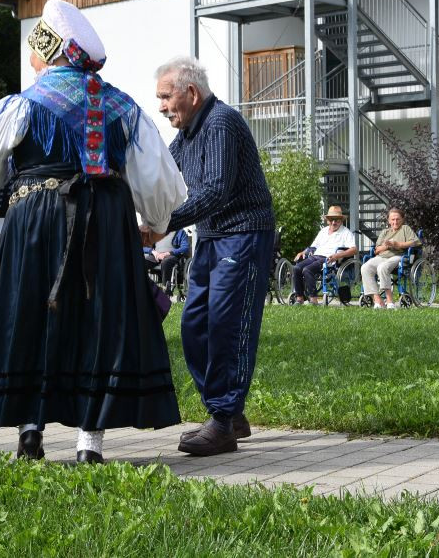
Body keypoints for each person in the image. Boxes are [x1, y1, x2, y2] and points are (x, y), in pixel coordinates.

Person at [0, 0, 188, 464]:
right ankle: (88, 443)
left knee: (28, 314)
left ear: (50, 54)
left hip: (34, 215)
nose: (31, 63)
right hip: (107, 219)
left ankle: (30, 430)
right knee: (99, 319)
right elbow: (157, 185)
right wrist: (153, 226)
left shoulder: (22, 105)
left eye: (34, 53)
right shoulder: (123, 107)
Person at [148, 55, 275, 457]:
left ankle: (223, 422)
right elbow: (159, 173)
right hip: (213, 237)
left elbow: (217, 190)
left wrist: (163, 224)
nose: (162, 106)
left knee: (226, 325)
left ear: (191, 93)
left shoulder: (221, 122)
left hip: (244, 235)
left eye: (166, 97)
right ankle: (230, 414)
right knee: (195, 325)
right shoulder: (186, 134)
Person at [292, 206, 358, 305]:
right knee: (296, 268)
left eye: (337, 220)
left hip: (328, 259)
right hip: (315, 256)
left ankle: (313, 299)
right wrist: (303, 252)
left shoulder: (346, 233)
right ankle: (299, 298)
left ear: (341, 220)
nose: (334, 222)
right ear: (327, 220)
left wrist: (338, 255)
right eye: (331, 220)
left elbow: (354, 250)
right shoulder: (323, 231)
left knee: (307, 270)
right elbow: (313, 247)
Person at [361, 207, 418, 309]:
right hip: (382, 256)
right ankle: (378, 300)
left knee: (382, 267)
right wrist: (386, 246)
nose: (395, 222)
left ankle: (390, 300)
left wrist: (397, 244)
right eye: (392, 219)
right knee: (365, 267)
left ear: (402, 219)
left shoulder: (405, 229)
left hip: (398, 256)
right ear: (389, 220)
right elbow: (376, 250)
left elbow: (414, 242)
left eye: (397, 219)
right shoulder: (385, 232)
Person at [144, 229, 191, 295]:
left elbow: (185, 247)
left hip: (171, 255)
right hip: (156, 255)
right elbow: (143, 246)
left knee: (166, 262)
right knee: (143, 263)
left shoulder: (180, 231)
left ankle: (165, 289)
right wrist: (153, 252)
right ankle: (144, 287)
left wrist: (168, 253)